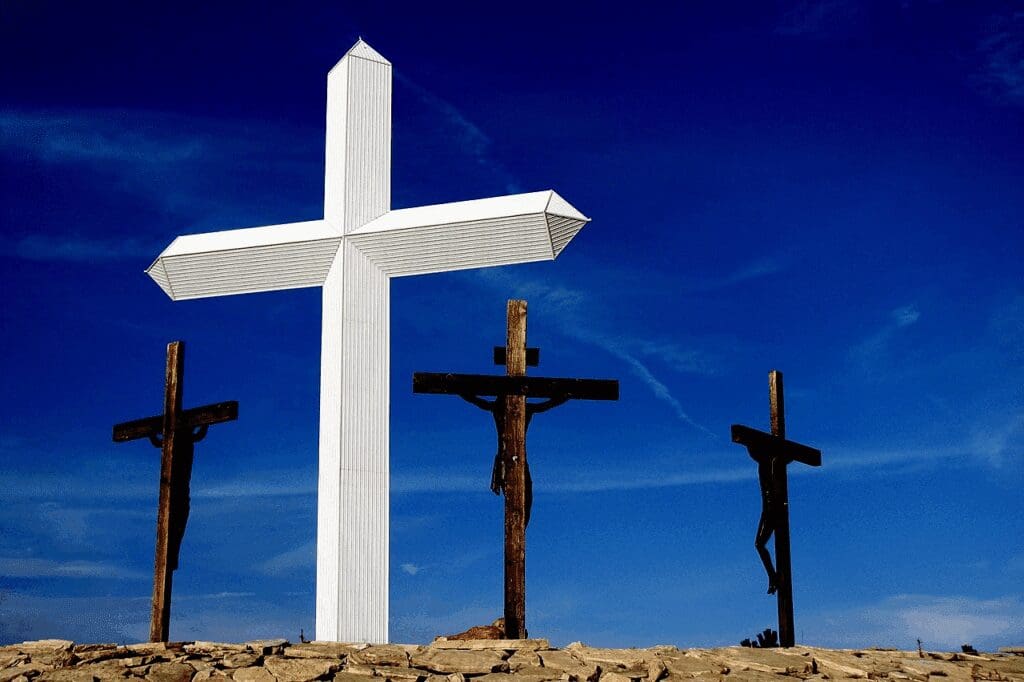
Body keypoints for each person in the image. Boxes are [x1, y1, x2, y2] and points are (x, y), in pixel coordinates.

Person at [459, 394, 568, 527]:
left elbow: (475, 400)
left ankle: (519, 527)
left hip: (515, 460)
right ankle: (517, 528)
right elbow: (548, 404)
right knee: (519, 501)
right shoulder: (503, 408)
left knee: (524, 500)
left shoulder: (519, 408)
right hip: (506, 461)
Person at [748, 445, 779, 594]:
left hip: (771, 510)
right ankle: (773, 577)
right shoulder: (767, 464)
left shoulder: (771, 463)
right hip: (767, 510)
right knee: (759, 544)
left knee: (759, 544)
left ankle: (773, 577)